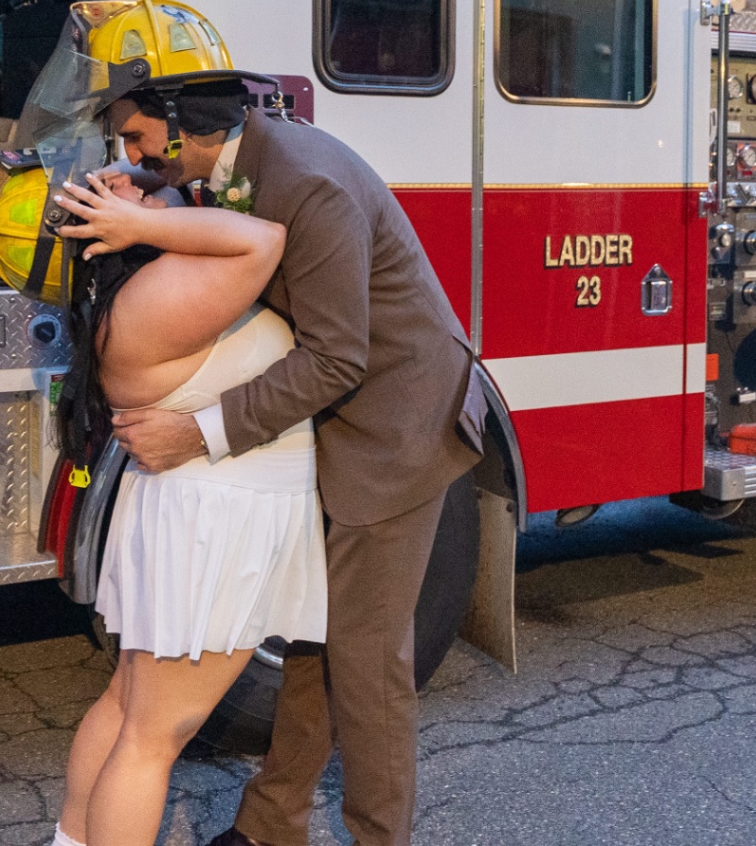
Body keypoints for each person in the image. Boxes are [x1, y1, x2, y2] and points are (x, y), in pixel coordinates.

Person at [102, 79, 486, 846]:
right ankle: (272, 825)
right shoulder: (234, 159)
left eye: (139, 139)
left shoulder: (308, 184)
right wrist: (153, 193)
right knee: (313, 641)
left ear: (185, 127)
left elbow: (338, 359)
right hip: (334, 430)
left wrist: (199, 433)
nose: (130, 155)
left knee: (368, 667)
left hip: (394, 431)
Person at [48, 172, 326, 846]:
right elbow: (263, 239)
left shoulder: (137, 296)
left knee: (129, 709)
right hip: (217, 527)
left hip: (195, 517)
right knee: (153, 737)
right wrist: (140, 221)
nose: (138, 185)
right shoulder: (157, 296)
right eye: (109, 189)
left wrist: (144, 213)